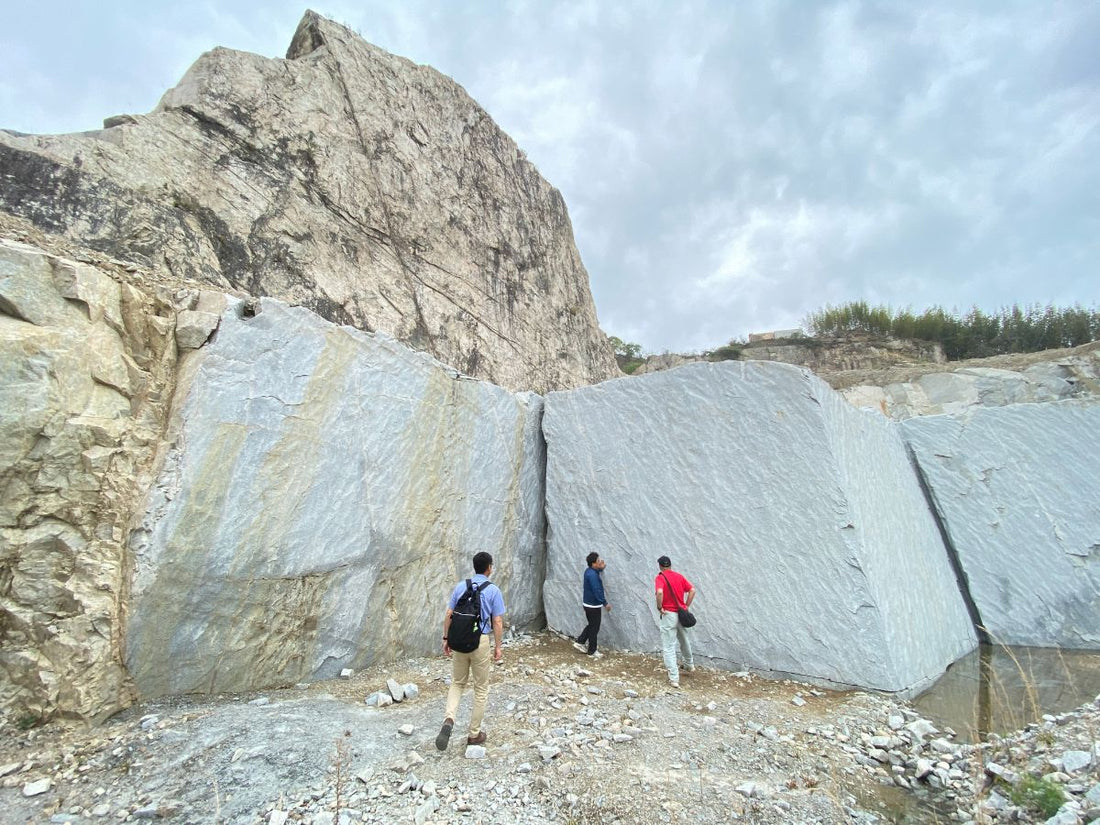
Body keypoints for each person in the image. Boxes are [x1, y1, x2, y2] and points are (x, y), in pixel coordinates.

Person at [436, 551, 505, 750]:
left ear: (474, 567)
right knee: (481, 688)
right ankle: (474, 734)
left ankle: (449, 719)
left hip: (459, 639)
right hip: (480, 641)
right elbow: (497, 621)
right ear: (489, 567)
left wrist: (446, 638)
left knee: (457, 683)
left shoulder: (461, 586)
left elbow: (449, 614)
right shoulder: (493, 590)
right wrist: (498, 646)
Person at [654, 555, 695, 688]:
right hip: (681, 614)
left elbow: (659, 592)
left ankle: (674, 678)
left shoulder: (660, 578)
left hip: (669, 615)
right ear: (670, 565)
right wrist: (686, 605)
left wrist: (659, 607)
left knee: (669, 646)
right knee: (684, 639)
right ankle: (689, 664)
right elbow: (692, 590)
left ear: (660, 566)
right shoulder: (679, 576)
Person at [572, 552, 611, 658]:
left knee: (592, 625)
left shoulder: (589, 571)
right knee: (594, 628)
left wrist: (601, 568)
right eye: (598, 561)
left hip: (588, 604)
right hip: (593, 606)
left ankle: (580, 641)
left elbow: (596, 572)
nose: (600, 562)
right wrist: (605, 603)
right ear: (593, 563)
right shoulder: (593, 575)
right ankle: (592, 651)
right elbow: (597, 590)